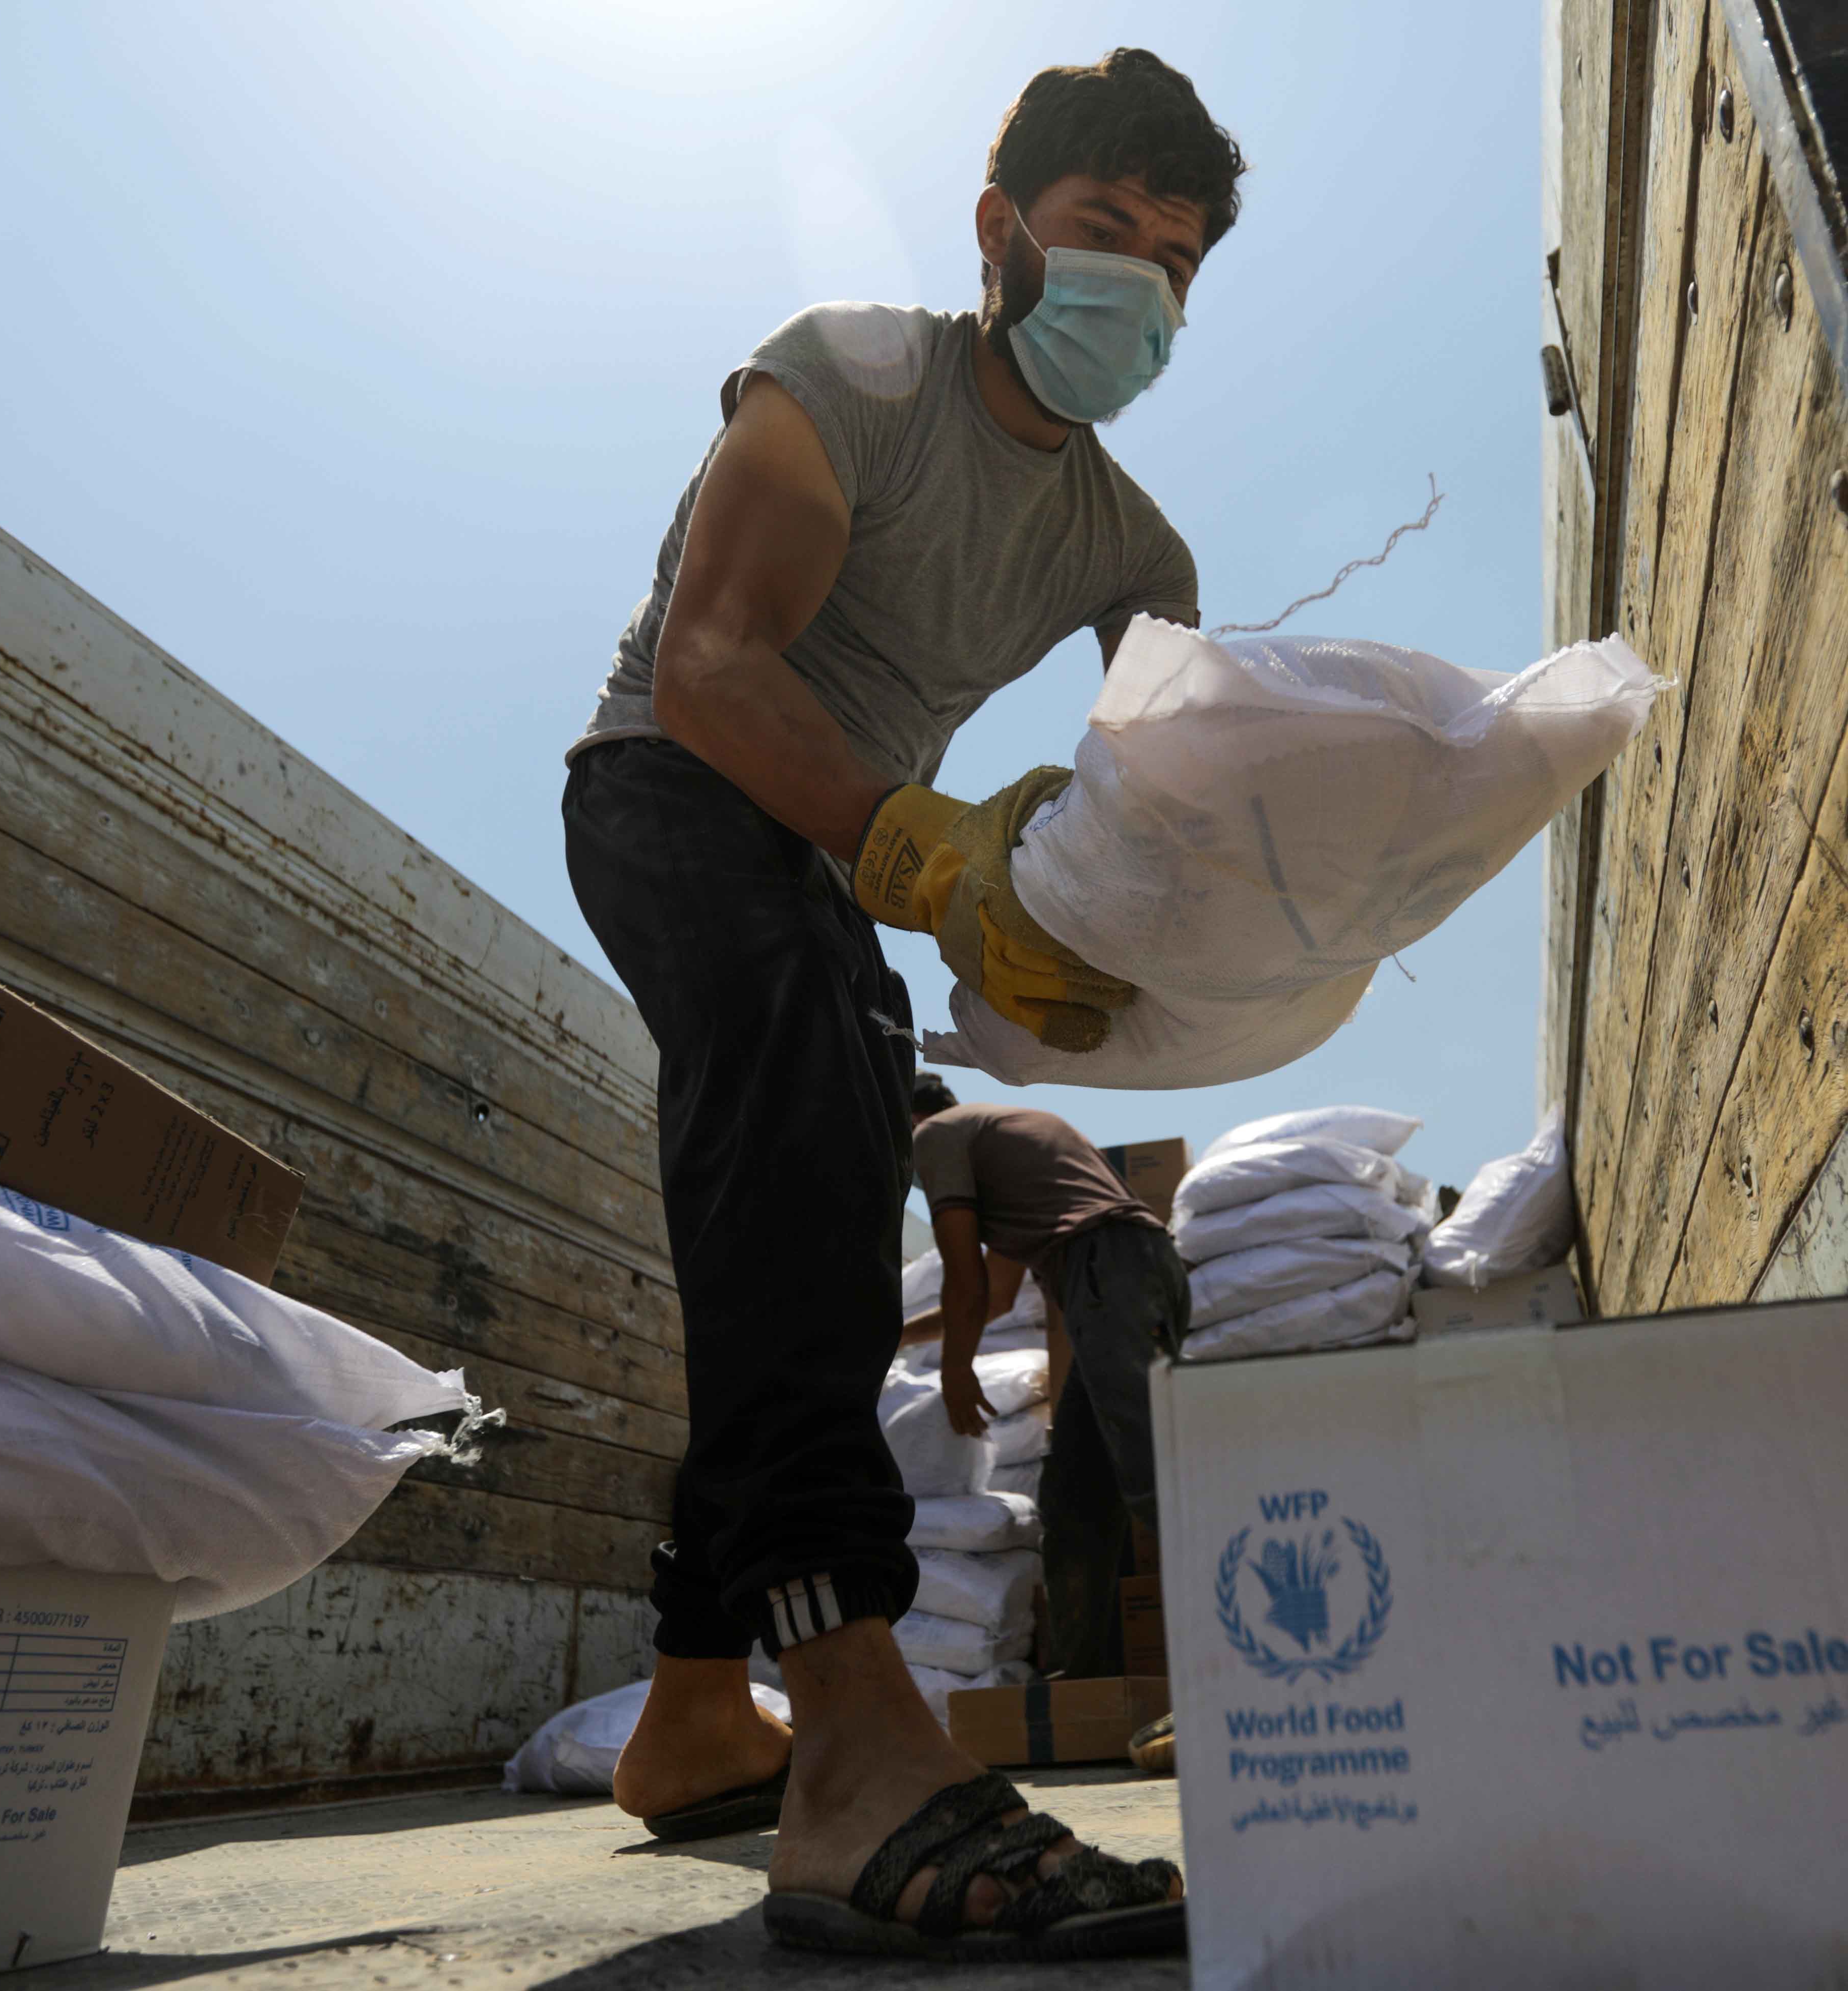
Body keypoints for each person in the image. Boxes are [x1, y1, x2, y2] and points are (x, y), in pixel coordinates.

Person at [558, 48, 1243, 1963]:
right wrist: (932, 860)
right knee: (789, 1114)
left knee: (828, 1218)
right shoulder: (852, 370)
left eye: (1178, 263)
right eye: (1108, 232)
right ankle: (856, 1747)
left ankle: (700, 1706)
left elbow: (1173, 780)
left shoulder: (1136, 546)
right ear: (1002, 229)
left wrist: (1130, 924)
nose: (1141, 286)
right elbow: (710, 664)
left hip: (849, 855)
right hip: (679, 787)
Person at [907, 1072, 1189, 1681]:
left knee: (1154, 1477)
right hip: (1131, 1273)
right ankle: (1083, 1680)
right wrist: (900, 1335)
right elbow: (996, 1299)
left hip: (1110, 1276)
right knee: (1075, 1493)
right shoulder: (1007, 1148)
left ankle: (1227, 1662)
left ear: (907, 1119)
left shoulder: (936, 1137)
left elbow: (966, 1280)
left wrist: (957, 1369)